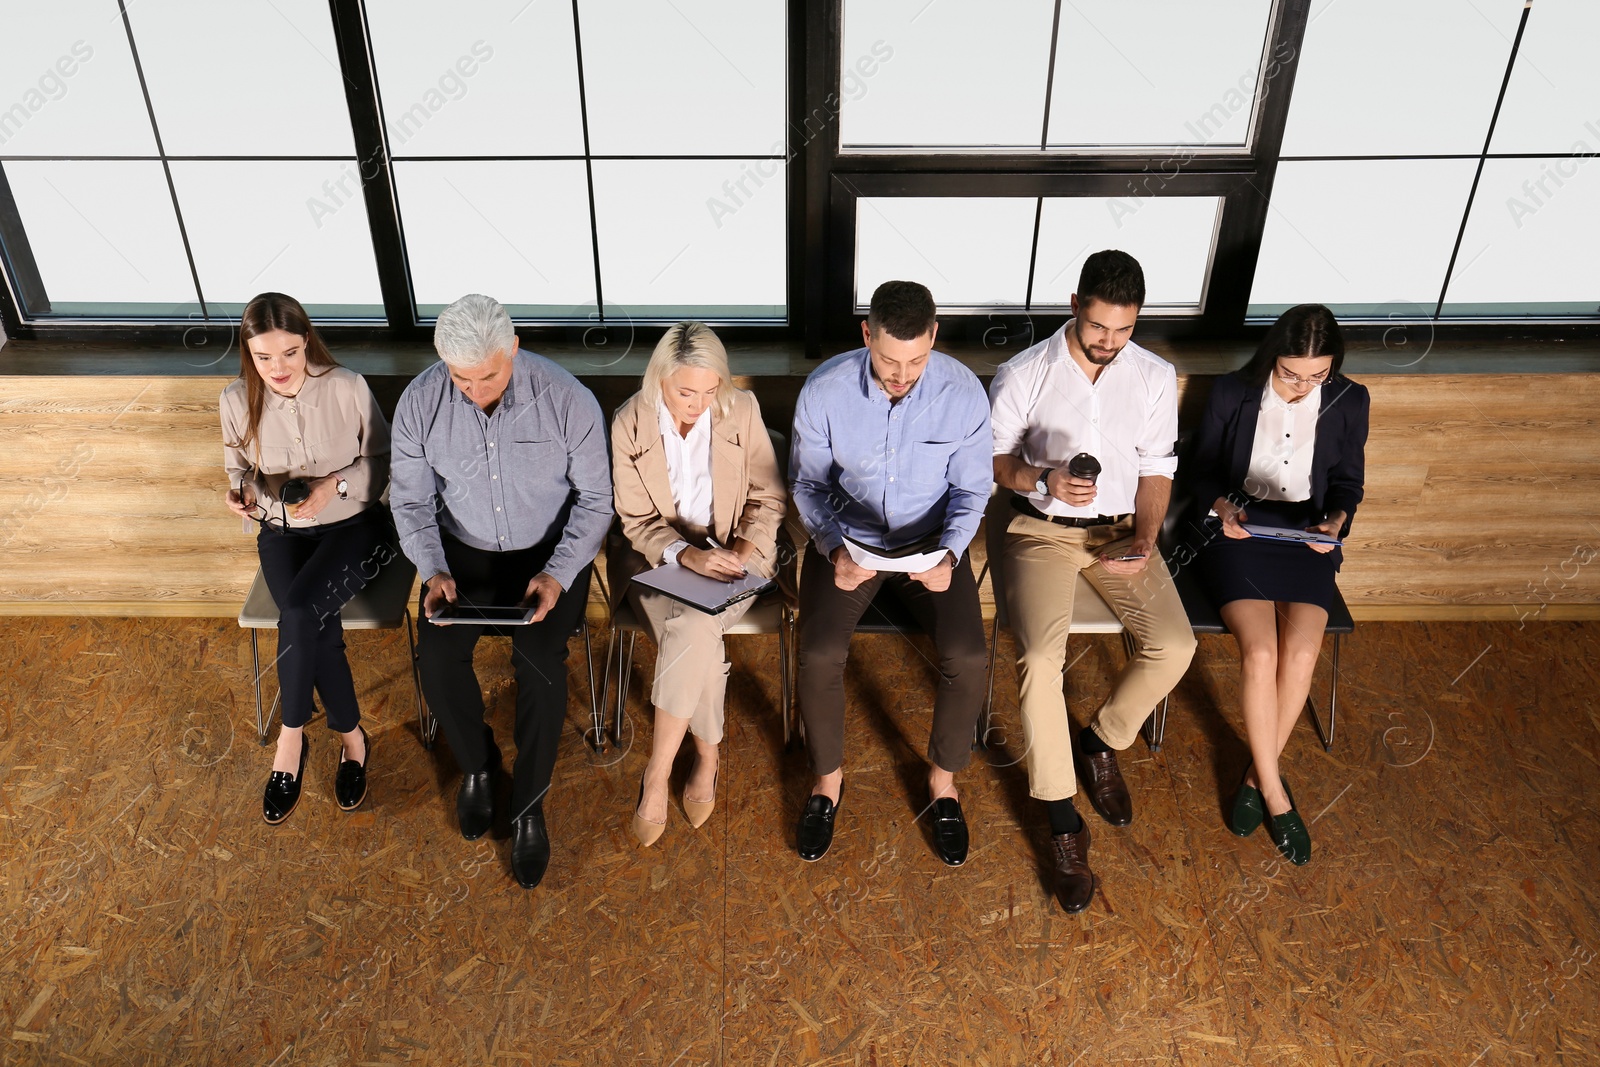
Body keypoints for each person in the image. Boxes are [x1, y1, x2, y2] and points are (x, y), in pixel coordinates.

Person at [988, 249, 1198, 914]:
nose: (1110, 342)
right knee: (1041, 657)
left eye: (1124, 329)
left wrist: (1146, 535)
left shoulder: (1155, 375)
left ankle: (1100, 740)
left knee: (1177, 645)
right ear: (1076, 305)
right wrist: (1043, 478)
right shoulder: (1024, 371)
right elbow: (993, 462)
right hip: (1041, 530)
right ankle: (1062, 824)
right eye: (1100, 326)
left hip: (1119, 533)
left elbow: (1158, 467)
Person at [390, 293, 611, 889]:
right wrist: (433, 569)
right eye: (462, 380)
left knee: (539, 663)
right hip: (459, 552)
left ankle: (530, 802)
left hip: (548, 552)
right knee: (436, 660)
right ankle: (480, 767)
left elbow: (595, 503)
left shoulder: (569, 401)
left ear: (513, 348)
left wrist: (559, 573)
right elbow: (411, 502)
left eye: (488, 375)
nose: (476, 390)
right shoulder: (419, 403)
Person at [789, 280, 991, 866]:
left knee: (969, 656)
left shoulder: (963, 393)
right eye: (887, 360)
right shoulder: (825, 390)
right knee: (819, 653)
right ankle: (828, 783)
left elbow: (972, 490)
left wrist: (950, 555)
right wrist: (832, 549)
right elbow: (807, 484)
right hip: (848, 543)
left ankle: (943, 783)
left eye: (916, 360)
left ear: (933, 337)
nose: (901, 375)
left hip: (932, 548)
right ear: (866, 336)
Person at [1188, 303, 1368, 866]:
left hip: (1305, 535)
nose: (1303, 386)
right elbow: (1197, 472)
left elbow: (1347, 482)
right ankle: (1273, 792)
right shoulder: (1231, 392)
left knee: (1305, 649)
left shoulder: (1350, 399)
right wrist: (1222, 509)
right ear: (1272, 358)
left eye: (1318, 375)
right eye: (1292, 373)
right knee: (1261, 651)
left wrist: (1336, 523)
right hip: (1238, 530)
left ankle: (1253, 776)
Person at [609, 322, 788, 846]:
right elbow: (636, 519)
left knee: (691, 624)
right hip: (657, 560)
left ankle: (657, 771)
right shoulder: (629, 423)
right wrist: (685, 555)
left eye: (710, 391)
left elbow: (768, 498)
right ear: (660, 379)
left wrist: (737, 554)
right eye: (687, 391)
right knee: (696, 627)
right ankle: (705, 755)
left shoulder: (742, 410)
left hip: (738, 553)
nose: (699, 403)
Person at [220, 292, 391, 824]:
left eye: (290, 353)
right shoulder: (233, 399)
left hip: (353, 527)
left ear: (307, 342)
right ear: (248, 354)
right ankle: (352, 737)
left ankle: (289, 742)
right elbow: (237, 468)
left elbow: (384, 465)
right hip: (281, 532)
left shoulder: (347, 387)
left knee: (297, 615)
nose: (278, 368)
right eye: (264, 357)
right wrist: (242, 493)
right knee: (317, 627)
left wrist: (334, 487)